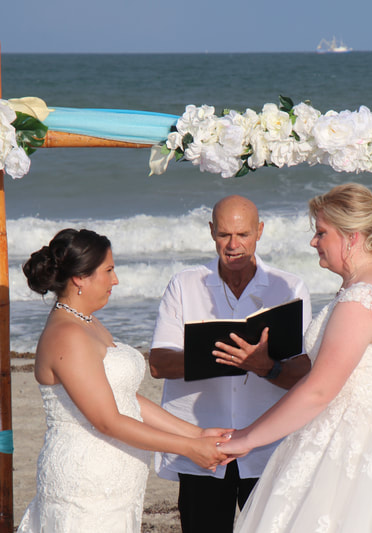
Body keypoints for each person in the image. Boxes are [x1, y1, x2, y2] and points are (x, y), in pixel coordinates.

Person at [221, 183, 372, 532]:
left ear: (352, 237)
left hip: (357, 447)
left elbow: (319, 390)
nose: (314, 242)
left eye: (322, 233)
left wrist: (246, 439)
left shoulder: (359, 301)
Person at [17, 228, 229, 533]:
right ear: (80, 278)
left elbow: (123, 396)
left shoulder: (87, 322)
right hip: (87, 484)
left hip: (113, 481)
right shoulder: (67, 335)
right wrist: (187, 448)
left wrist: (198, 434)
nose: (115, 280)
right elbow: (108, 420)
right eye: (108, 270)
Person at [149, 195, 313, 532]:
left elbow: (303, 373)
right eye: (224, 235)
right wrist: (224, 355)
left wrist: (264, 365)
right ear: (211, 231)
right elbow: (159, 363)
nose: (233, 245)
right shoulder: (184, 284)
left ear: (260, 232)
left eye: (243, 234)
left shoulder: (290, 287)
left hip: (268, 446)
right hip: (203, 446)